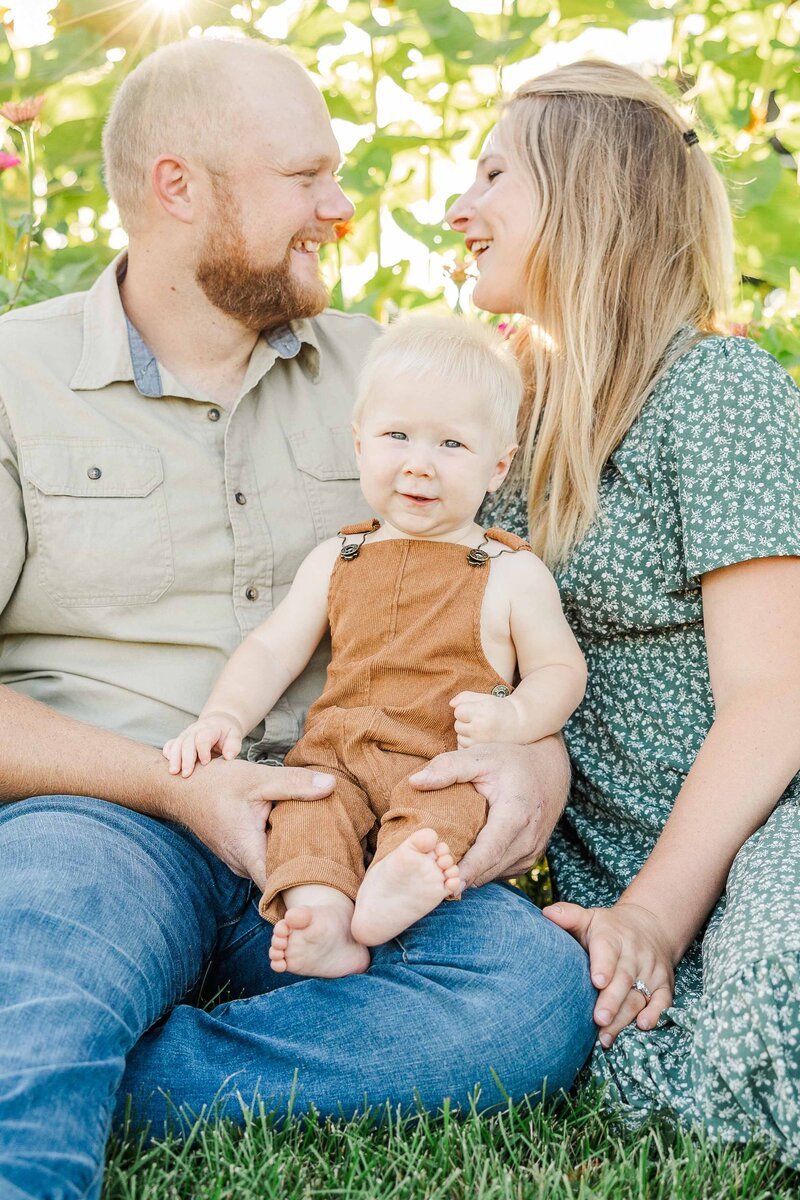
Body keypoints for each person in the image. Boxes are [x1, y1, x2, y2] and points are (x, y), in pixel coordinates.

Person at [0, 38, 596, 1200]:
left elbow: (509, 620)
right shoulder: (12, 380)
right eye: (306, 176)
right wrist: (175, 785)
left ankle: (92, 1064)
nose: (341, 205)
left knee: (528, 1000)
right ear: (182, 187)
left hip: (372, 824)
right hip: (110, 822)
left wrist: (535, 764)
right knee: (44, 945)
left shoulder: (398, 381)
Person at [446, 59, 800, 1165]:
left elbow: (775, 694)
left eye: (493, 173)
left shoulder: (716, 392)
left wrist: (653, 909)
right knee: (583, 1025)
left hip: (761, 834)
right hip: (623, 877)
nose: (458, 208)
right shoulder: (499, 416)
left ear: (587, 192)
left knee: (764, 991)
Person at [164, 316, 587, 978]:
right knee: (307, 810)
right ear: (360, 444)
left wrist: (514, 720)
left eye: (451, 444)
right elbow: (274, 649)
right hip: (338, 755)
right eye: (397, 437)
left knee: (447, 809)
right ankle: (326, 915)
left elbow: (560, 670)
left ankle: (399, 880)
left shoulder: (507, 570)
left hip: (440, 759)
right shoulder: (340, 556)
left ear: (496, 466)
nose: (419, 463)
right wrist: (225, 717)